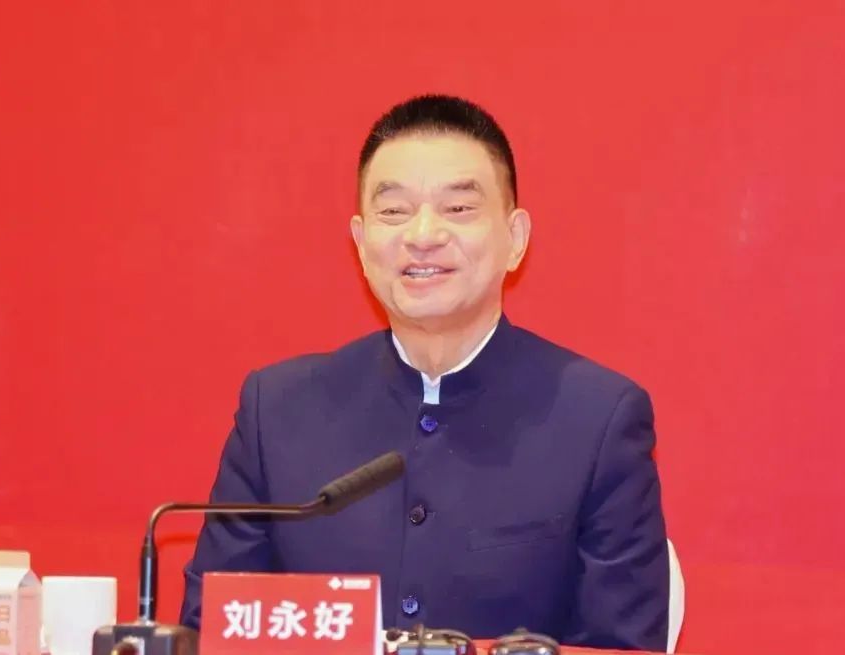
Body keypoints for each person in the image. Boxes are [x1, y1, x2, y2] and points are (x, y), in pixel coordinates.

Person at [180, 94, 669, 650]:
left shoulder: (598, 419)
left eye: (458, 208)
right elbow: (210, 632)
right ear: (361, 244)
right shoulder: (276, 411)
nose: (423, 235)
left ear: (515, 239)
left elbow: (621, 646)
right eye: (394, 212)